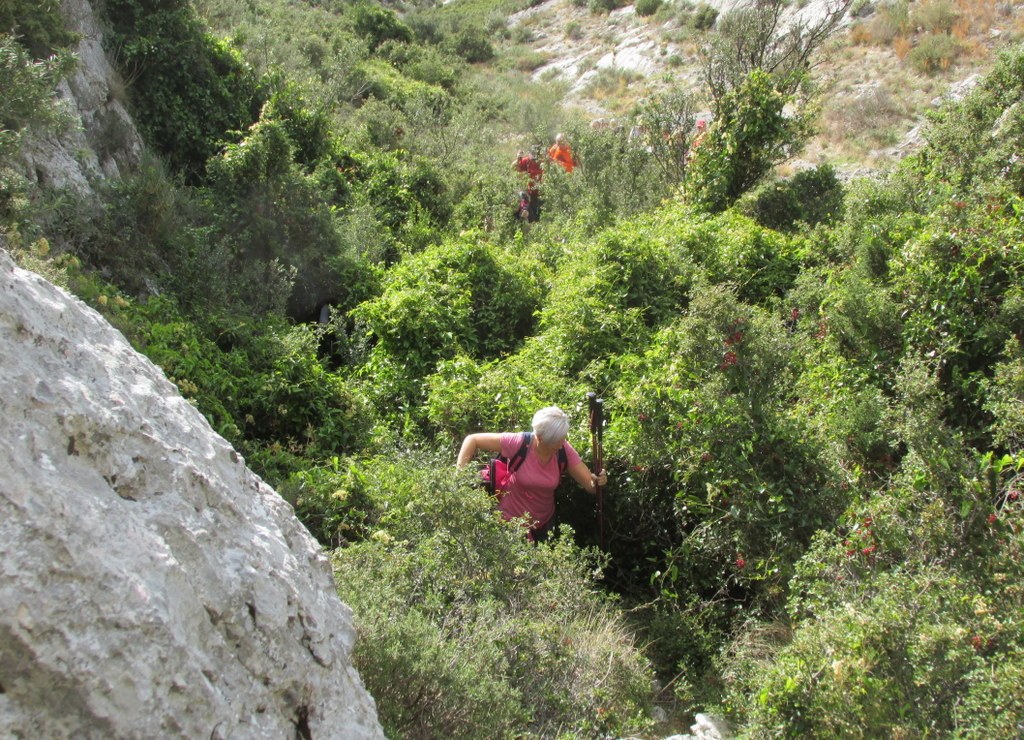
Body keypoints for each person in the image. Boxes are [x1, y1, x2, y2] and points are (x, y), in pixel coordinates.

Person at [456, 406, 608, 542]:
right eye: (557, 441)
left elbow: (591, 486)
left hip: (543, 525)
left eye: (563, 439)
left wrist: (598, 481)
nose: (562, 444)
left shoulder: (563, 450)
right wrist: (459, 476)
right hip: (508, 522)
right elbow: (472, 440)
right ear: (540, 438)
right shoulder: (520, 443)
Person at [513, 150, 543, 222]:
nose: (533, 160)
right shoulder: (526, 161)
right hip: (528, 191)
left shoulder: (542, 163)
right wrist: (518, 159)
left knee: (538, 212)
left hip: (539, 192)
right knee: (526, 207)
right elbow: (515, 168)